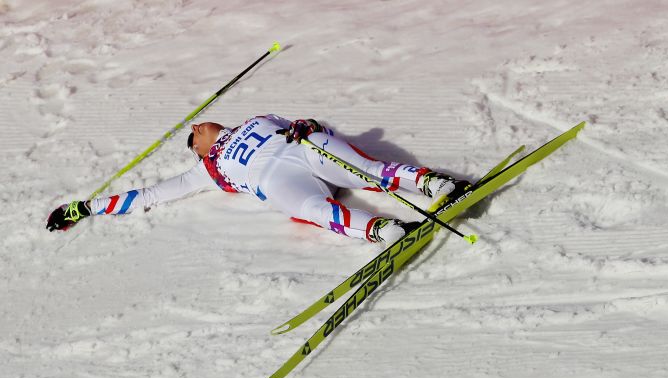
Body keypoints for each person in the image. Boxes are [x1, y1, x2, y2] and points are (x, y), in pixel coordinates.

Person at [46, 115, 470, 244]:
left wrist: (308, 125)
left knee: (365, 169)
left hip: (306, 151)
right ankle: (381, 230)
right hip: (282, 183)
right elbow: (150, 194)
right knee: (309, 210)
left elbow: (309, 123)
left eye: (195, 128)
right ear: (199, 151)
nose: (195, 129)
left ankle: (433, 184)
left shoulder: (259, 119)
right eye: (190, 138)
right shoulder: (207, 170)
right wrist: (85, 207)